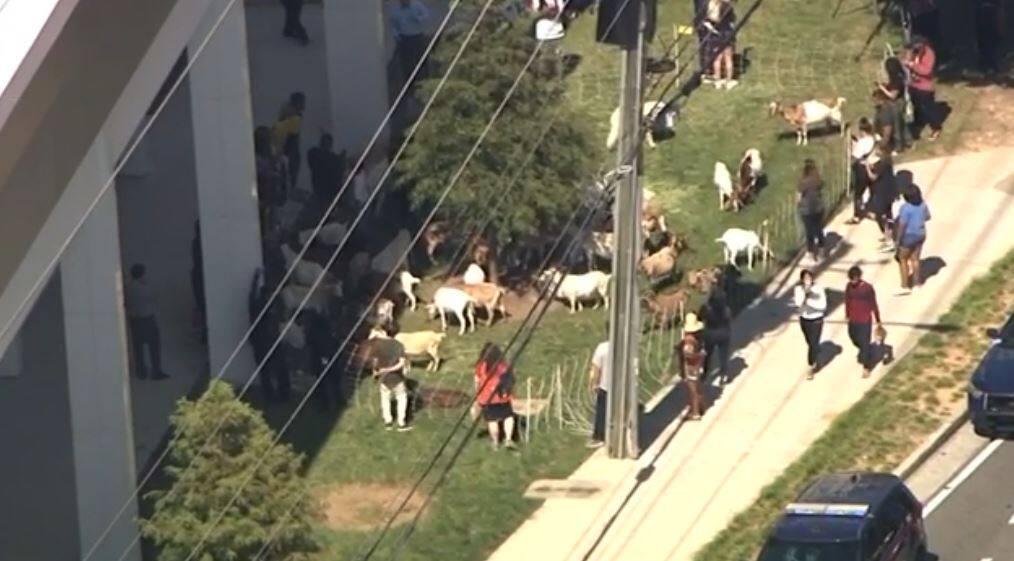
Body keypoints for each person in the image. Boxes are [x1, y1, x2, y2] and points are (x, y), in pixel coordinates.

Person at [124, 264, 169, 380]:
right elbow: (155, 297)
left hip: (134, 321)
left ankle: (141, 372)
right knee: (154, 345)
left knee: (137, 347)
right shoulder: (145, 289)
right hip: (147, 319)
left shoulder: (128, 288)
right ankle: (156, 371)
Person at [475, 343, 517, 450]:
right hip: (502, 396)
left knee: (492, 420)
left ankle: (495, 443)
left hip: (487, 398)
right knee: (508, 416)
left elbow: (477, 381)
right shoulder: (503, 366)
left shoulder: (480, 366)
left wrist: (478, 394)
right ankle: (508, 439)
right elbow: (511, 380)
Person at [845, 265, 882, 378]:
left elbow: (873, 303)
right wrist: (847, 314)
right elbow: (847, 300)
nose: (853, 281)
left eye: (855, 279)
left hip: (865, 319)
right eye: (851, 279)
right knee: (854, 339)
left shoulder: (867, 288)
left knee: (865, 342)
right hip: (853, 319)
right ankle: (865, 350)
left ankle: (866, 368)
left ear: (859, 277)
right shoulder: (849, 286)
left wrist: (878, 320)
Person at [369, 336, 413, 432]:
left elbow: (374, 361)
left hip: (384, 379)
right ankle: (401, 424)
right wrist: (388, 369)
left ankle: (388, 422)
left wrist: (376, 372)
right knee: (401, 398)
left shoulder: (377, 345)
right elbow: (401, 363)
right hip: (396, 378)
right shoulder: (398, 345)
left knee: (385, 399)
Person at [904, 36, 943, 142]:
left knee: (928, 109)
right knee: (916, 106)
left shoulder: (929, 54)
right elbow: (906, 59)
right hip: (913, 85)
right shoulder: (914, 52)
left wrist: (912, 66)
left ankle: (936, 127)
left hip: (925, 87)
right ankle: (918, 123)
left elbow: (926, 71)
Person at [894, 182, 931, 294]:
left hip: (908, 236)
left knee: (903, 259)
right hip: (921, 234)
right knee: (915, 259)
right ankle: (916, 283)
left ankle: (905, 285)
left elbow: (902, 225)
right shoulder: (923, 204)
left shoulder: (905, 208)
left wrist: (898, 240)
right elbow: (928, 217)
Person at [793, 269, 827, 378]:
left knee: (813, 343)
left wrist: (809, 302)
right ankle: (815, 353)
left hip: (817, 319)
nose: (808, 280)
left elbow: (822, 306)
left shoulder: (818, 289)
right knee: (809, 341)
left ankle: (811, 366)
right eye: (805, 278)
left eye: (809, 278)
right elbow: (798, 304)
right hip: (804, 319)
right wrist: (806, 295)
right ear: (802, 279)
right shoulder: (798, 289)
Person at [390, 0, 431, 87]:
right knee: (406, 63)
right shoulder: (396, 11)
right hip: (405, 39)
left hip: (417, 37)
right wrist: (396, 35)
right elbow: (393, 25)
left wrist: (418, 18)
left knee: (422, 60)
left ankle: (426, 83)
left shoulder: (417, 5)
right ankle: (410, 85)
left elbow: (426, 15)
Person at [865, 144, 898, 253]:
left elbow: (873, 177)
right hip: (889, 191)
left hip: (882, 193)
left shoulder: (881, 164)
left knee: (880, 215)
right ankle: (889, 235)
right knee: (888, 214)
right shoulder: (887, 161)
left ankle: (889, 240)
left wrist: (867, 168)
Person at [255, 126, 288, 230]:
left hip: (274, 206)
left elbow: (284, 190)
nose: (266, 143)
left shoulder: (278, 161)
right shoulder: (252, 161)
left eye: (267, 140)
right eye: (262, 140)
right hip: (257, 206)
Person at [675, 313, 707, 420]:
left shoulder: (688, 341)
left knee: (692, 390)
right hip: (698, 366)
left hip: (691, 367)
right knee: (697, 387)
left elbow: (688, 354)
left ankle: (695, 412)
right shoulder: (698, 338)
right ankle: (701, 406)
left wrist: (680, 350)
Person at [846, 118, 877, 225]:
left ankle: (857, 216)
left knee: (858, 194)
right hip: (875, 167)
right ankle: (873, 211)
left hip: (862, 169)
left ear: (862, 130)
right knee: (873, 190)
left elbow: (855, 157)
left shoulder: (862, 143)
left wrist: (853, 147)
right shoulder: (875, 138)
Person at [877, 54, 911, 153]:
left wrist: (882, 88)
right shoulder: (899, 75)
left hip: (897, 104)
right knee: (902, 124)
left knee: (896, 126)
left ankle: (899, 148)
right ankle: (909, 141)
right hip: (899, 102)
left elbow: (893, 96)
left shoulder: (896, 79)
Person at [272, 92, 306, 188]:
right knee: (288, 172)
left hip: (290, 148)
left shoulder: (293, 114)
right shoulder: (290, 115)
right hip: (288, 149)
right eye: (302, 101)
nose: (304, 104)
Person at [700, 285, 732, 384]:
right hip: (724, 333)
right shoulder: (726, 309)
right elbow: (729, 319)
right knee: (723, 355)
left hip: (710, 334)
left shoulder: (707, 308)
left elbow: (700, 317)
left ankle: (705, 374)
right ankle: (723, 376)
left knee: (707, 355)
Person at [702, 0, 737, 89]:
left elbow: (706, 20)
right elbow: (732, 20)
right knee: (728, 59)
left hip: (716, 35)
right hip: (726, 34)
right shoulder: (727, 7)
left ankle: (717, 80)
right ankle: (728, 81)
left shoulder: (712, 6)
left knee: (717, 59)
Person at [797, 159, 826, 262]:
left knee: (809, 231)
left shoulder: (802, 182)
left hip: (807, 210)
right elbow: (821, 187)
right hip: (818, 208)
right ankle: (822, 250)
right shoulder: (818, 180)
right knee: (819, 229)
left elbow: (799, 197)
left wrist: (798, 205)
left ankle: (811, 252)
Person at [307, 133, 346, 206]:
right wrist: (342, 158)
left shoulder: (313, 153)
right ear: (330, 145)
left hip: (317, 186)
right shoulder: (333, 159)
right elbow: (339, 170)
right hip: (328, 190)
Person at [587, 337, 610, 448]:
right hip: (620, 387)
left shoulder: (602, 348)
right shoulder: (623, 346)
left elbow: (596, 368)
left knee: (602, 412)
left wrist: (594, 383)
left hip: (605, 386)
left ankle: (600, 436)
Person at [974, 0, 1002, 76]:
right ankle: (985, 64)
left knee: (992, 38)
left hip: (992, 12)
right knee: (983, 38)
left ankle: (992, 64)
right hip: (983, 12)